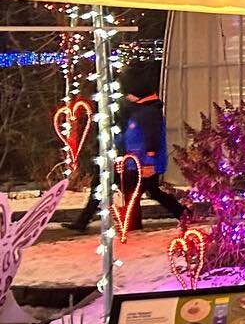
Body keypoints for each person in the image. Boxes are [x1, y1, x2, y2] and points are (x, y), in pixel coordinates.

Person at [69, 88, 188, 232]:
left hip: (139, 162)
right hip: (133, 161)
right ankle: (183, 214)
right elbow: (130, 136)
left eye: (130, 93)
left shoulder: (146, 112)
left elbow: (151, 137)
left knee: (132, 193)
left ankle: (133, 225)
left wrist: (150, 161)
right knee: (145, 192)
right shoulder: (139, 111)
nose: (127, 97)